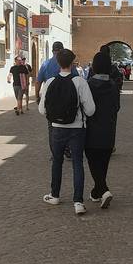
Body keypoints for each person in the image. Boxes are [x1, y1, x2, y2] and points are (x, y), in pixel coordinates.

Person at [39, 49, 96, 215]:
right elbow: (91, 110)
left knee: (57, 161)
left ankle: (54, 194)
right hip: (77, 129)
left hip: (57, 129)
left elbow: (42, 110)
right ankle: (78, 201)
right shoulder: (80, 82)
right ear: (72, 63)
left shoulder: (50, 82)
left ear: (58, 63)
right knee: (78, 163)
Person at [85, 51, 120, 209]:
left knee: (93, 161)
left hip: (92, 130)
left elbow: (85, 107)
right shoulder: (113, 86)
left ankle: (104, 190)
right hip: (109, 129)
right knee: (103, 163)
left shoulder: (89, 85)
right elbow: (116, 107)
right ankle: (96, 192)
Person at [36, 42, 79, 158]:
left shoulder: (45, 64)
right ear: (62, 49)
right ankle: (67, 149)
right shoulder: (70, 65)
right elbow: (76, 79)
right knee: (69, 124)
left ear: (52, 51)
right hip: (68, 99)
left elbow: (38, 81)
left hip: (51, 101)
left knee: (52, 128)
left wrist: (37, 97)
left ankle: (55, 153)